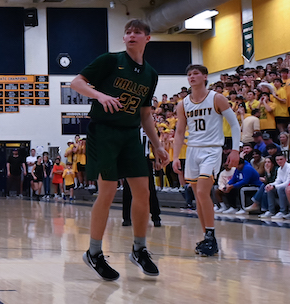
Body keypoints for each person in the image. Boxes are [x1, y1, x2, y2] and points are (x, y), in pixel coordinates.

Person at [70, 19, 168, 281]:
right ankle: (93, 252)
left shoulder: (151, 74)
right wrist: (100, 95)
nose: (131, 35)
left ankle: (139, 249)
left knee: (143, 191)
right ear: (124, 38)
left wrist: (158, 145)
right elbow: (76, 83)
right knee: (108, 190)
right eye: (128, 32)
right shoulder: (110, 60)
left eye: (137, 32)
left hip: (130, 135)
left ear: (147, 38)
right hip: (103, 132)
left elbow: (146, 115)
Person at [171, 63, 241, 256]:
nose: (192, 77)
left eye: (196, 74)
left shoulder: (216, 98)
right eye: (189, 74)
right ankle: (207, 236)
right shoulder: (183, 104)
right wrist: (176, 156)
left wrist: (235, 149)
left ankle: (211, 236)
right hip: (192, 151)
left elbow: (234, 125)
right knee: (197, 196)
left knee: (202, 191)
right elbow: (179, 132)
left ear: (205, 77)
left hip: (212, 150)